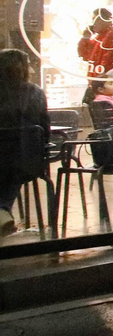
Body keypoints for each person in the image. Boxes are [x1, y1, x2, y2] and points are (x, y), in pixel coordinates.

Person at [0, 48, 50, 237]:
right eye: (28, 65)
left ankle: (2, 210)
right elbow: (45, 127)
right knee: (13, 166)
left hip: (8, 159)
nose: (32, 69)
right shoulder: (34, 92)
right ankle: (2, 210)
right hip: (26, 159)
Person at [77, 7, 113, 78]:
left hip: (105, 79)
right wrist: (86, 38)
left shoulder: (112, 35)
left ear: (104, 20)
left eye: (95, 20)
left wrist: (99, 79)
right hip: (97, 79)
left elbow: (107, 61)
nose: (93, 23)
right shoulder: (98, 38)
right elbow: (85, 56)